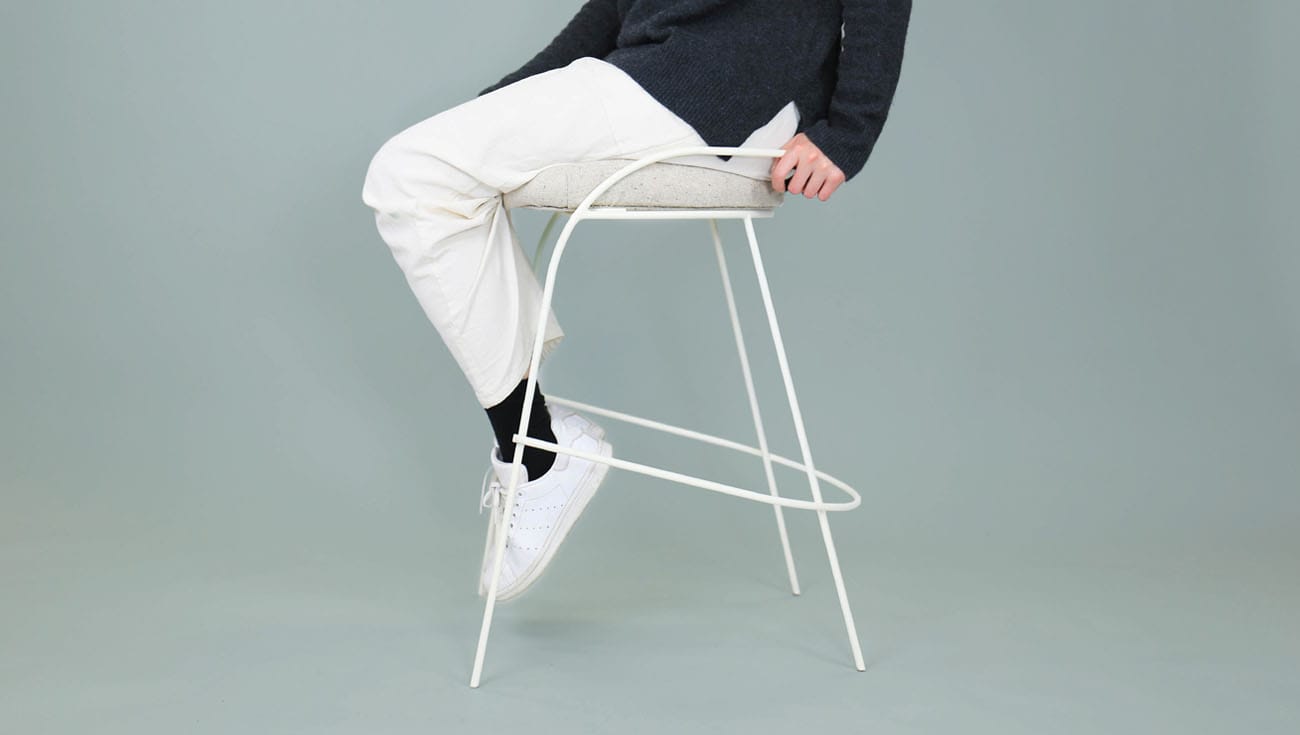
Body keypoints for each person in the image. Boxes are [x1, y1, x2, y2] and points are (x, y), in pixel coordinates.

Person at [360, 0, 911, 602]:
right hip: (658, 78)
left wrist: (850, 132)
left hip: (728, 88)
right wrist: (493, 114)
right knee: (425, 170)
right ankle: (535, 444)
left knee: (410, 174)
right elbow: (612, 10)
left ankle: (536, 453)